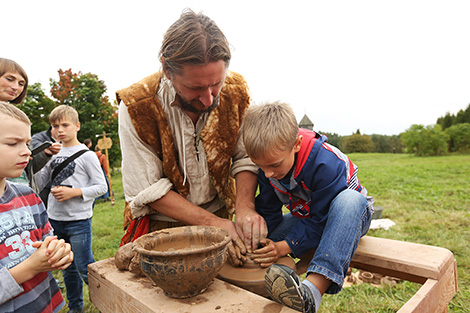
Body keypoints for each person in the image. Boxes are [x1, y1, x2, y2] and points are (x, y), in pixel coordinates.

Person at [117, 9, 262, 265]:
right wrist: (214, 225)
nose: (208, 98)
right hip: (162, 226)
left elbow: (245, 157)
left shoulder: (236, 91)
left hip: (219, 211)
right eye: (195, 87)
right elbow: (146, 188)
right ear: (167, 69)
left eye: (216, 84)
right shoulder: (136, 106)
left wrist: (245, 208)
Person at [241, 102, 374, 313]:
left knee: (349, 200)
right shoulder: (270, 165)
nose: (267, 174)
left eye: (274, 165)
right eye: (261, 166)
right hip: (307, 215)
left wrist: (285, 247)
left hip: (348, 216)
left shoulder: (326, 163)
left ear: (296, 144)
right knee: (262, 241)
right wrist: (260, 241)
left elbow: (322, 219)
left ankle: (311, 293)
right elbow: (268, 210)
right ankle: (275, 287)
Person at [0, 101, 74, 313]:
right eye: (13, 143)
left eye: (27, 143)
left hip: (46, 304)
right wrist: (31, 267)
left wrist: (58, 251)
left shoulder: (29, 196)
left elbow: (47, 239)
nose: (26, 152)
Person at [35, 105, 107, 313]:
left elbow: (101, 187)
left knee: (85, 267)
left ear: (77, 126)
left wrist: (74, 192)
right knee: (66, 267)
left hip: (78, 221)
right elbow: (39, 182)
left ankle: (107, 303)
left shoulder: (88, 155)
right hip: (54, 219)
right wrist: (44, 158)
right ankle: (76, 308)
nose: (59, 130)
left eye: (65, 125)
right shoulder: (52, 152)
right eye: (55, 126)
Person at [0, 58, 61, 192]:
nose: (16, 87)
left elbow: (25, 170)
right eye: (9, 79)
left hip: (19, 196)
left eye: (21, 83)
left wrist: (44, 153)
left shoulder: (19, 118)